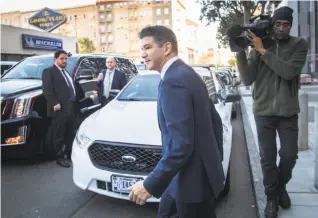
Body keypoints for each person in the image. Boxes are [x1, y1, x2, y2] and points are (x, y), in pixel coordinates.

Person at [128, 25, 225, 218]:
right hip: (188, 179)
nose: (143, 55)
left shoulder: (173, 81)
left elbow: (181, 145)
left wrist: (149, 185)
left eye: (147, 48)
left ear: (166, 48)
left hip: (191, 184)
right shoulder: (187, 73)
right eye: (142, 49)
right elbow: (215, 123)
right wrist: (213, 163)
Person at [236, 6, 308, 218]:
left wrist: (262, 51)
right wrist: (240, 49)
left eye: (286, 25)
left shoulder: (299, 45)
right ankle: (272, 198)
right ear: (273, 24)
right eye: (278, 24)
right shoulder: (260, 43)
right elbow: (248, 79)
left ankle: (279, 187)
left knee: (289, 156)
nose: (282, 28)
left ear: (290, 27)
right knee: (267, 159)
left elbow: (289, 72)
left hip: (288, 112)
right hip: (264, 112)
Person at [42, 50, 77, 168]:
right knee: (58, 135)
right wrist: (55, 103)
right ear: (55, 59)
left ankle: (69, 154)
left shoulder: (65, 72)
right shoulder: (49, 72)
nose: (64, 61)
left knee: (70, 133)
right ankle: (59, 157)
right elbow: (47, 90)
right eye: (62, 58)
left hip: (70, 108)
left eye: (66, 59)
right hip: (59, 109)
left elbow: (70, 87)